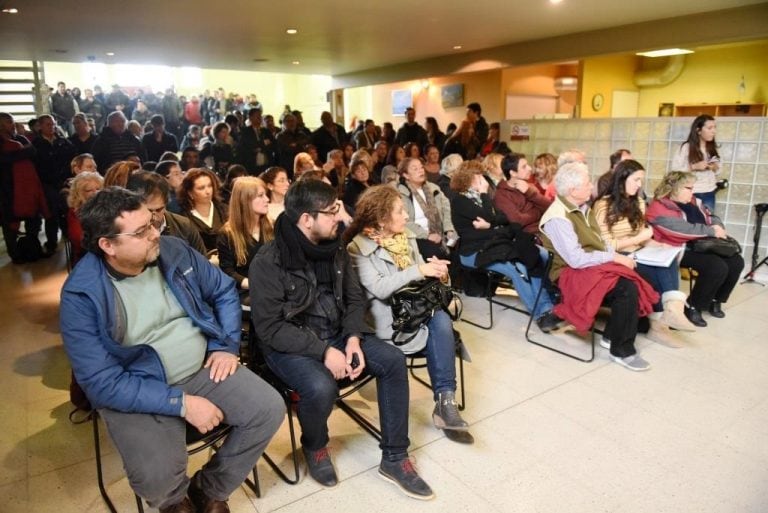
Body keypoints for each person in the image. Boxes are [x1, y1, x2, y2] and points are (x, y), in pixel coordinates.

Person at [60, 187, 283, 513]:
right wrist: (182, 404)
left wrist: (225, 345)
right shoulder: (82, 296)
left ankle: (210, 488)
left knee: (268, 409)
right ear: (107, 245)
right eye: (141, 231)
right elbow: (101, 383)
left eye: (152, 223)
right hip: (138, 386)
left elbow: (223, 290)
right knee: (157, 474)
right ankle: (174, 501)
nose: (155, 234)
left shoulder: (173, 250)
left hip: (200, 367)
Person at [249, 179, 434, 499]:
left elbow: (353, 299)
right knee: (321, 386)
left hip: (335, 332)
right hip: (289, 343)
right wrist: (323, 352)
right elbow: (271, 329)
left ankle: (394, 457)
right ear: (306, 219)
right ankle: (315, 445)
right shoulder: (268, 261)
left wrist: (351, 339)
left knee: (391, 359)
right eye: (332, 210)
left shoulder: (334, 246)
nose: (342, 215)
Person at [345, 185, 472, 444]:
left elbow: (421, 280)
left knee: (440, 318)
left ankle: (445, 402)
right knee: (440, 323)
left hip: (418, 310)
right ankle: (445, 405)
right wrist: (420, 271)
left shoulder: (407, 238)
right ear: (381, 219)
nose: (406, 216)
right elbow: (380, 288)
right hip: (388, 321)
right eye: (400, 211)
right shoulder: (356, 248)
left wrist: (439, 273)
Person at [539, 162, 658, 371]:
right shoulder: (558, 217)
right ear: (572, 190)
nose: (591, 186)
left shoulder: (583, 207)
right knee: (626, 287)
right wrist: (615, 258)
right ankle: (621, 350)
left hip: (589, 264)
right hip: (569, 271)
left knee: (640, 275)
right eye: (587, 183)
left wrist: (616, 256)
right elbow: (575, 259)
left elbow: (599, 242)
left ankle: (612, 336)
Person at [593, 160, 697, 347]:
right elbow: (605, 244)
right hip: (618, 255)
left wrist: (658, 245)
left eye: (641, 180)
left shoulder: (639, 203)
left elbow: (642, 236)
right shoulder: (603, 206)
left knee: (668, 259)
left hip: (639, 251)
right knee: (654, 274)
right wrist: (639, 239)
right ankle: (664, 321)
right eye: (636, 180)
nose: (640, 185)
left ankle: (671, 312)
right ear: (622, 179)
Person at [450, 163, 563, 332]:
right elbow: (491, 216)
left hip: (495, 245)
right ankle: (541, 314)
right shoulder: (460, 200)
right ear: (469, 179)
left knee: (533, 259)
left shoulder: (481, 199)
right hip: (474, 252)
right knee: (518, 269)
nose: (483, 179)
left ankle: (547, 307)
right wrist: (486, 203)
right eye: (478, 176)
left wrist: (490, 224)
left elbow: (503, 218)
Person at [646, 171, 744, 327]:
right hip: (677, 248)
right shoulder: (658, 207)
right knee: (716, 266)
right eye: (688, 188)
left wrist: (717, 225)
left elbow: (710, 215)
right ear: (675, 188)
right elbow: (681, 230)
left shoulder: (693, 201)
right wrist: (711, 231)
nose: (692, 191)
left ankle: (715, 300)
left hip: (702, 244)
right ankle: (693, 306)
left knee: (736, 262)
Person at [217, 177, 273, 305]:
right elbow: (227, 272)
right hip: (246, 291)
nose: (267, 199)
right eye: (260, 196)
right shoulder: (227, 234)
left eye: (266, 195)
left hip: (272, 286)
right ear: (245, 201)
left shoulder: (272, 227)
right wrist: (252, 283)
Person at [125, 171, 207, 256]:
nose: (154, 217)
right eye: (149, 211)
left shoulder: (184, 226)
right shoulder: (124, 232)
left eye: (159, 210)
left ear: (166, 204)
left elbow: (203, 265)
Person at [396, 157, 455, 260]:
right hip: (417, 236)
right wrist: (427, 235)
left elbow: (447, 209)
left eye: (421, 167)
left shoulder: (433, 188)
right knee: (435, 253)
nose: (420, 171)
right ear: (406, 175)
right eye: (415, 169)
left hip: (440, 232)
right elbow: (404, 222)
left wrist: (449, 229)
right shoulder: (401, 194)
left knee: (456, 244)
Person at [671, 115, 720, 213]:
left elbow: (718, 171)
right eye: (710, 128)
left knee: (708, 222)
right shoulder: (686, 147)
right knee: (690, 223)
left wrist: (714, 167)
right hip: (691, 192)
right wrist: (694, 167)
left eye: (715, 127)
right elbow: (674, 171)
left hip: (709, 192)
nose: (714, 131)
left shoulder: (713, 148)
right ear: (698, 130)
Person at [493, 153, 552, 234]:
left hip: (545, 230)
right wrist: (538, 212)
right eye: (524, 167)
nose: (530, 168)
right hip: (530, 237)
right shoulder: (502, 195)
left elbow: (550, 207)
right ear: (513, 173)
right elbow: (518, 221)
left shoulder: (529, 186)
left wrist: (529, 193)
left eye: (527, 165)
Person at [178, 168, 228, 254]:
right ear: (190, 193)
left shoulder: (225, 210)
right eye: (201, 188)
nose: (208, 191)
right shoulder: (183, 219)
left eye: (210, 186)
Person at [65, 171, 103, 265]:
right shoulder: (75, 213)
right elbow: (79, 240)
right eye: (89, 190)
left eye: (98, 188)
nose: (96, 192)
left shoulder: (105, 206)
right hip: (88, 258)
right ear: (79, 193)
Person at [236, 107, 275, 175]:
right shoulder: (245, 132)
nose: (259, 118)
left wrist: (259, 147)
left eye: (260, 116)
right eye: (257, 116)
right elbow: (247, 147)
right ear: (250, 118)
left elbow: (273, 145)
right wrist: (263, 143)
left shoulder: (266, 131)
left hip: (266, 165)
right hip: (251, 166)